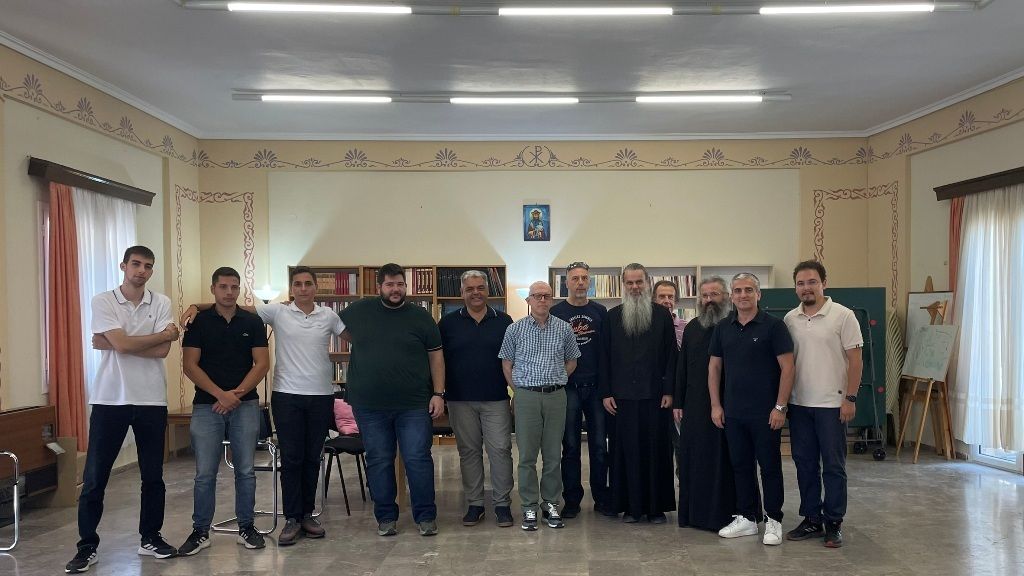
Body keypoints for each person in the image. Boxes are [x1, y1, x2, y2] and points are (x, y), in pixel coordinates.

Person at [182, 265, 345, 546]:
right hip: (285, 395)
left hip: (319, 396)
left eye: (308, 283)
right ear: (291, 288)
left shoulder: (328, 315)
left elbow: (356, 338)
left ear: (316, 287)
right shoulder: (276, 312)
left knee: (310, 458)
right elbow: (231, 306)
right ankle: (291, 518)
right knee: (289, 459)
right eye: (297, 284)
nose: (303, 288)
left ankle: (304, 515)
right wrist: (196, 305)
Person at [66, 246, 179, 574]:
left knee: (153, 476)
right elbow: (137, 344)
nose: (141, 270)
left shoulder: (161, 302)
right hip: (109, 399)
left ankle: (150, 537)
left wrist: (116, 342)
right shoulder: (104, 300)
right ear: (123, 266)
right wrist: (154, 337)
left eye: (147, 266)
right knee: (95, 478)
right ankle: (87, 546)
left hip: (151, 400)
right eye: (136, 264)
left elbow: (162, 351)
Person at [338, 263, 446, 538]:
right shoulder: (359, 310)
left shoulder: (421, 317)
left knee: (418, 459)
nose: (395, 289)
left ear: (405, 286)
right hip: (369, 405)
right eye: (389, 284)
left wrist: (438, 393)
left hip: (414, 404)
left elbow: (436, 356)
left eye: (400, 284)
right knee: (379, 459)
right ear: (379, 287)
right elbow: (338, 329)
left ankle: (426, 516)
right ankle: (386, 517)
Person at [178, 267, 270, 555]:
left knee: (246, 471)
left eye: (234, 287)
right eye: (223, 287)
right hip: (207, 406)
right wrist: (221, 395)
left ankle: (247, 528)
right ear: (213, 289)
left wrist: (235, 395)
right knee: (205, 473)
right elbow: (189, 365)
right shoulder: (199, 322)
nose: (229, 292)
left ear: (239, 289)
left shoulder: (252, 321)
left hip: (246, 404)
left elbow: (262, 364)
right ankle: (200, 532)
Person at [709, 272, 794, 546]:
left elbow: (788, 368)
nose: (743, 295)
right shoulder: (723, 327)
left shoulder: (774, 327)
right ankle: (747, 518)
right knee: (741, 466)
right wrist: (716, 405)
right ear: (731, 296)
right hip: (733, 413)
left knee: (770, 468)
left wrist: (780, 407)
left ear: (759, 294)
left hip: (766, 413)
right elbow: (714, 368)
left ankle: (774, 520)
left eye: (748, 290)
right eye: (738, 290)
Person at [783, 260, 863, 548]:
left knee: (833, 466)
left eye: (812, 282)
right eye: (801, 283)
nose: (806, 288)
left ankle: (834, 522)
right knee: (804, 465)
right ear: (796, 287)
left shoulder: (843, 316)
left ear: (824, 283)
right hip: (799, 404)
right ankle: (812, 519)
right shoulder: (790, 319)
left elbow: (856, 361)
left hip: (832, 405)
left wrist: (850, 398)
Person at [674, 276, 756, 531]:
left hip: (730, 403)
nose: (709, 300)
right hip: (695, 405)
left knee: (730, 460)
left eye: (715, 295)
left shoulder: (735, 325)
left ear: (727, 297)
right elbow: (682, 366)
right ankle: (696, 515)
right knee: (697, 459)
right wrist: (678, 401)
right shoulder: (692, 327)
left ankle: (732, 515)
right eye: (705, 296)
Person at [499, 281, 581, 531]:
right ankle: (529, 506)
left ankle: (550, 504)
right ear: (529, 301)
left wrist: (557, 377)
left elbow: (572, 361)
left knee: (553, 455)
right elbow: (506, 364)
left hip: (556, 396)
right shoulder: (515, 329)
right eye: (537, 296)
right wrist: (519, 391)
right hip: (526, 397)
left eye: (546, 296)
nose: (542, 300)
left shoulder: (564, 328)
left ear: (552, 300)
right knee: (526, 456)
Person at [599, 263, 677, 524]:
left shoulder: (662, 315)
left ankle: (655, 508)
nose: (634, 287)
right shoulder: (612, 317)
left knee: (656, 452)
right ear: (624, 285)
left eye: (639, 282)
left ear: (647, 283)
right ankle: (630, 507)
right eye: (630, 283)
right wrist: (606, 392)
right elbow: (604, 357)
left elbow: (671, 356)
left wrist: (669, 391)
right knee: (625, 453)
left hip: (656, 397)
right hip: (621, 399)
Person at [438, 270, 515, 528]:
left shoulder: (504, 321)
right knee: (468, 452)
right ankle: (475, 504)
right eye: (470, 289)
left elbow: (513, 360)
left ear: (488, 290)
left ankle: (502, 505)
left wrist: (516, 392)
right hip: (459, 399)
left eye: (480, 287)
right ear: (462, 292)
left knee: (500, 451)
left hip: (496, 398)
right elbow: (438, 361)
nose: (476, 293)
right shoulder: (447, 324)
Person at [550, 261, 612, 518]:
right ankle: (572, 500)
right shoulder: (556, 312)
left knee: (599, 447)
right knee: (571, 447)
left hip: (596, 388)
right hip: (569, 387)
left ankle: (602, 498)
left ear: (589, 282)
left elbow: (607, 351)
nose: (580, 282)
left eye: (584, 278)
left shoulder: (600, 312)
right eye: (575, 278)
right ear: (566, 282)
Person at [653, 280, 685, 350]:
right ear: (654, 300)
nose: (667, 301)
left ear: (675, 300)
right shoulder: (647, 326)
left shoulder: (687, 327)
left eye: (671, 297)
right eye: (662, 296)